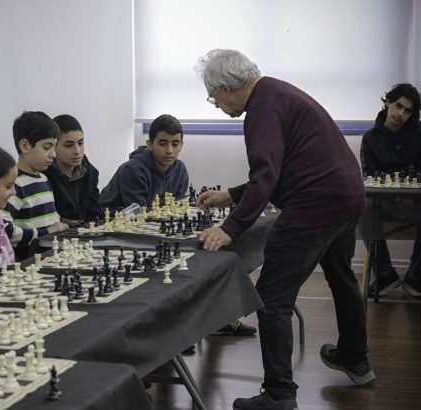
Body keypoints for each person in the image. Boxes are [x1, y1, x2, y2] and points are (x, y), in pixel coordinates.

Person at [195, 49, 373, 410]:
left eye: (214, 97)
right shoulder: (278, 92)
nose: (217, 105)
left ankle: (279, 394)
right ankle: (355, 358)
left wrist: (231, 228)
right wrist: (231, 195)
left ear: (226, 88)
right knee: (342, 279)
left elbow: (265, 175)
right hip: (347, 197)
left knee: (272, 299)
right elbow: (280, 169)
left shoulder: (261, 110)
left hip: (315, 205)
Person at [360, 83, 421, 297]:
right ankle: (385, 276)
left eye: (408, 110)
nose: (401, 114)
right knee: (363, 209)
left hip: (416, 203)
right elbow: (369, 177)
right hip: (384, 204)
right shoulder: (370, 139)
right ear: (388, 102)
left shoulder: (419, 134)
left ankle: (416, 278)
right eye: (398, 106)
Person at [2, 111, 69, 260]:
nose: (53, 154)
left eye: (54, 147)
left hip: (51, 256)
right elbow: (4, 229)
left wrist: (62, 223)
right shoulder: (14, 184)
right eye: (47, 147)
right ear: (25, 146)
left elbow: (49, 219)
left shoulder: (43, 179)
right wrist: (46, 232)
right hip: (30, 261)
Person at [100, 114, 189, 212]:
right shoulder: (132, 169)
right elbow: (140, 214)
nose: (169, 151)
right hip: (108, 219)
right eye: (162, 144)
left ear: (181, 145)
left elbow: (176, 209)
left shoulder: (180, 169)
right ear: (150, 145)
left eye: (175, 144)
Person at [43, 114, 102, 227]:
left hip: (86, 232)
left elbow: (95, 214)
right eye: (69, 145)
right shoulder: (43, 176)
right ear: (54, 146)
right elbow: (47, 218)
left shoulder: (91, 172)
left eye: (80, 143)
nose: (77, 151)